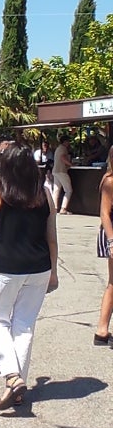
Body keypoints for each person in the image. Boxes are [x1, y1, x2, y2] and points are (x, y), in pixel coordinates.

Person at [0, 144, 59, 410]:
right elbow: (51, 238)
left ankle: (12, 377)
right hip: (39, 266)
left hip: (6, 267)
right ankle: (18, 387)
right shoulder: (44, 193)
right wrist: (54, 272)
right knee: (24, 325)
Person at [97, 146, 113, 347]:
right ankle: (101, 328)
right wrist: (111, 241)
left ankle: (102, 330)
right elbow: (104, 214)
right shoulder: (109, 181)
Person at [53, 134, 73, 215]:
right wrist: (71, 164)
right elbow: (63, 158)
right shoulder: (63, 148)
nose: (69, 143)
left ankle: (54, 208)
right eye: (68, 141)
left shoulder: (58, 148)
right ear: (65, 142)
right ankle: (63, 208)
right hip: (62, 171)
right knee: (68, 190)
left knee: (56, 190)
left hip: (55, 170)